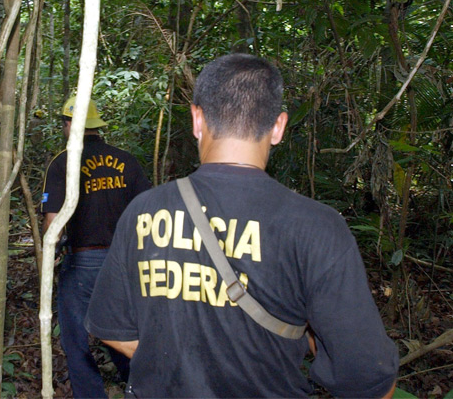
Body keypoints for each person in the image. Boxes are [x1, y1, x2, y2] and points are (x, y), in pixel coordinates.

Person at [85, 54, 399, 398]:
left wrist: (182, 372)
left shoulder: (143, 211)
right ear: (278, 127)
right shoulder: (316, 227)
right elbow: (368, 377)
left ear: (197, 120)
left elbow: (112, 327)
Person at [41, 96, 152, 398]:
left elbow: (53, 226)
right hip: (123, 262)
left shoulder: (62, 163)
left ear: (68, 125)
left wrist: (48, 262)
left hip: (83, 264)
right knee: (121, 332)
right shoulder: (126, 161)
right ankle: (141, 388)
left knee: (76, 340)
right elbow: (148, 214)